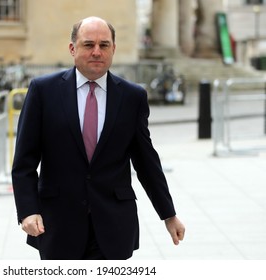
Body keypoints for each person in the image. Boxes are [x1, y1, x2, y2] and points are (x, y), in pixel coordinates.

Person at [11, 16, 185, 260]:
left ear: (113, 49)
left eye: (104, 45)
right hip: (58, 223)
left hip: (114, 224)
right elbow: (24, 162)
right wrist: (28, 211)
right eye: (88, 44)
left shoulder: (132, 97)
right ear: (73, 49)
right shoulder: (43, 91)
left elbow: (146, 161)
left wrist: (168, 214)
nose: (96, 52)